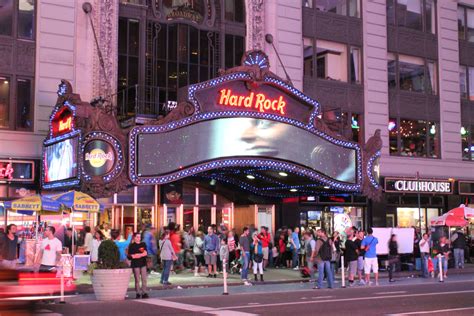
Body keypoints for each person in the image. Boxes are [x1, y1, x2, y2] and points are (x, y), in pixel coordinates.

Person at [127, 232, 149, 299]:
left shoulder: (143, 244)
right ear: (134, 237)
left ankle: (144, 292)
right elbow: (130, 256)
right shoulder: (132, 245)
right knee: (137, 279)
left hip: (143, 263)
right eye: (137, 237)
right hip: (136, 264)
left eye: (139, 237)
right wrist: (138, 255)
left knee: (144, 279)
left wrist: (137, 255)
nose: (139, 238)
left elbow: (146, 253)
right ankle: (138, 293)